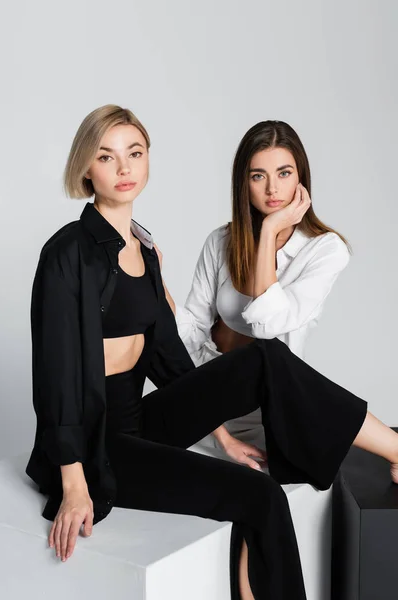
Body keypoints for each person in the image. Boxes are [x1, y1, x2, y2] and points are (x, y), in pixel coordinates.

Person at [25, 105, 398, 600]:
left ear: (148, 160)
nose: (124, 169)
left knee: (265, 357)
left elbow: (167, 357)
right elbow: (56, 375)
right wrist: (73, 483)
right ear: (85, 168)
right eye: (107, 157)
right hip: (98, 449)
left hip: (139, 421)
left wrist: (219, 435)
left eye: (134, 153)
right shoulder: (66, 253)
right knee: (260, 496)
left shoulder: (143, 247)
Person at [165, 120, 353, 470]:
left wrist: (269, 232)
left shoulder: (326, 250)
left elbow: (269, 327)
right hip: (206, 392)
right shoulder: (222, 240)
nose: (272, 189)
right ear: (243, 183)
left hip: (268, 405)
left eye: (284, 173)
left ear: (301, 178)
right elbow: (191, 326)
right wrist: (156, 292)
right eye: (258, 176)